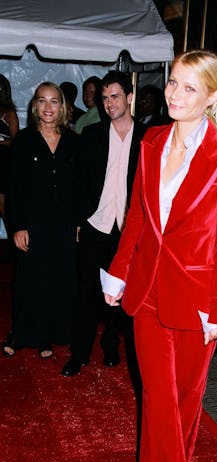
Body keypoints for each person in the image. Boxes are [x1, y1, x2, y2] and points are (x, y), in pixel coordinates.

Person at [102, 49, 217, 462]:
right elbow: (138, 217)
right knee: (161, 411)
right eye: (172, 82)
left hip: (198, 305)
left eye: (189, 87)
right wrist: (118, 272)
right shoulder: (151, 141)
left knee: (185, 412)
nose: (174, 94)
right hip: (147, 298)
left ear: (212, 97)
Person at [61, 70, 147, 376]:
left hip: (128, 230)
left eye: (115, 97)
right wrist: (78, 220)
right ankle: (79, 352)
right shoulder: (93, 135)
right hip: (95, 224)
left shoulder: (147, 139)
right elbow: (79, 182)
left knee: (119, 291)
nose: (109, 104)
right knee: (86, 291)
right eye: (105, 98)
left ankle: (111, 345)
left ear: (129, 97)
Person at [3, 82, 80, 357]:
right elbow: (15, 188)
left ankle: (48, 335)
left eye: (54, 101)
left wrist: (79, 223)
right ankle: (20, 332)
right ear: (35, 106)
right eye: (42, 101)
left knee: (57, 281)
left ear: (62, 106)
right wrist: (18, 226)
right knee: (28, 281)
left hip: (63, 226)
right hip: (33, 224)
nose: (48, 107)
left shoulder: (74, 141)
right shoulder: (23, 140)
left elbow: (80, 187)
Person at [0, 74, 19, 232]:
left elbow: (16, 140)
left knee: (3, 205)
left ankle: (14, 241)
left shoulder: (9, 113)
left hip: (3, 162)